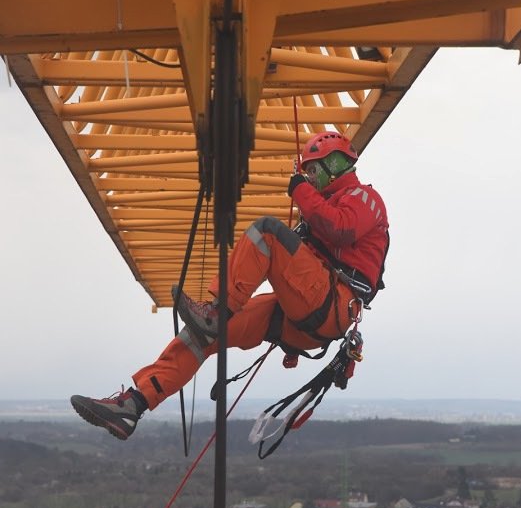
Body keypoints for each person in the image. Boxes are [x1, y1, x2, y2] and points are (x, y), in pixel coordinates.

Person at [70, 131, 389, 441]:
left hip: (331, 302)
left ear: (335, 165)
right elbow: (314, 243)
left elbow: (341, 228)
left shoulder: (364, 198)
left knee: (266, 231)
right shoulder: (321, 211)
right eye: (307, 173)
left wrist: (299, 192)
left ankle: (218, 310)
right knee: (201, 336)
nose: (311, 179)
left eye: (315, 171)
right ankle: (134, 404)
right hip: (306, 312)